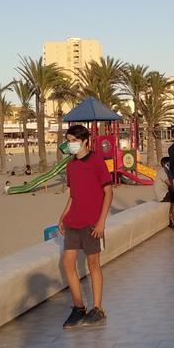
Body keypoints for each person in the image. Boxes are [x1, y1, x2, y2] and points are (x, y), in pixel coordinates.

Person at [58, 124, 114, 329]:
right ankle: (78, 306)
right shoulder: (71, 166)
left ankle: (97, 308)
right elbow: (73, 195)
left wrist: (101, 222)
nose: (70, 144)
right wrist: (63, 215)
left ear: (85, 141)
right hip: (73, 221)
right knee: (68, 263)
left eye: (73, 140)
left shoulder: (97, 161)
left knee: (93, 264)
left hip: (92, 223)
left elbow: (108, 192)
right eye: (68, 140)